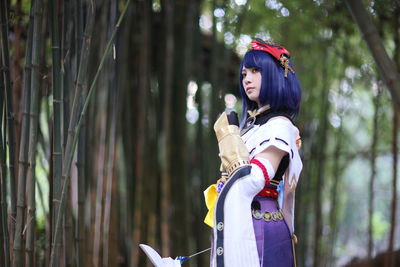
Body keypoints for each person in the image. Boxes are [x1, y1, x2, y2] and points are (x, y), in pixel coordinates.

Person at [204, 38, 302, 267]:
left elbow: (253, 180)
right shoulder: (253, 127)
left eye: (255, 71)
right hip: (243, 221)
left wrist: (228, 141)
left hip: (262, 225)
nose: (246, 78)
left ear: (276, 74)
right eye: (244, 73)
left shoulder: (280, 126)